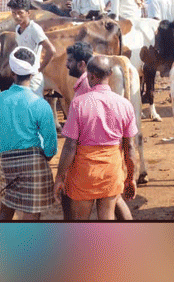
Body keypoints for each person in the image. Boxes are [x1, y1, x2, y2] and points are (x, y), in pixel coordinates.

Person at [53, 55, 139, 220]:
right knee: (107, 219)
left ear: (91, 75)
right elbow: (130, 148)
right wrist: (130, 178)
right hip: (111, 170)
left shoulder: (79, 104)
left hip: (84, 172)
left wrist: (59, 177)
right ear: (111, 74)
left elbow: (70, 146)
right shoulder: (125, 105)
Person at [0, 46, 58, 221]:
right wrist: (43, 157)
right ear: (33, 73)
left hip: (7, 162)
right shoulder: (40, 104)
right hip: (35, 162)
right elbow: (51, 145)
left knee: (6, 209)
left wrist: (6, 154)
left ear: (12, 72)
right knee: (31, 214)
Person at [7, 0, 56, 99]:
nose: (17, 16)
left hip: (32, 77)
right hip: (20, 75)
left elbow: (51, 50)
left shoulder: (34, 29)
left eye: (20, 13)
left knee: (34, 104)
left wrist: (39, 69)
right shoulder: (18, 28)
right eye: (14, 13)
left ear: (28, 13)